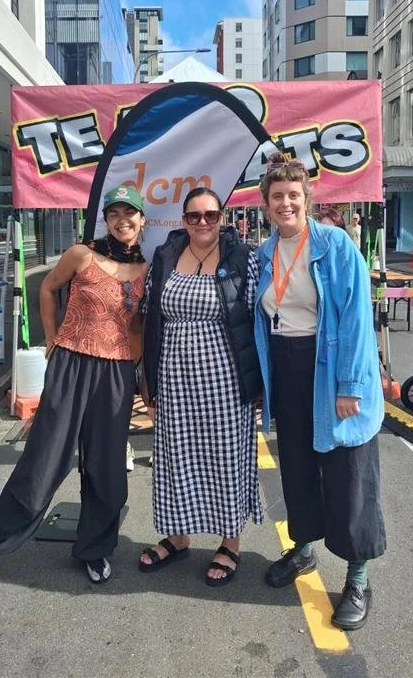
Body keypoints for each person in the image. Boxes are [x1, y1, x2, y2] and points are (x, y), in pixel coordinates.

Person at [0, 185, 148, 590]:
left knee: (107, 470)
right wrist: (51, 337)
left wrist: (134, 370)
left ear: (142, 219)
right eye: (114, 213)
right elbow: (49, 288)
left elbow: (138, 325)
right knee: (44, 460)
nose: (122, 220)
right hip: (71, 364)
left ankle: (94, 549)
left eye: (130, 213)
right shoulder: (82, 254)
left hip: (116, 374)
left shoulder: (146, 270)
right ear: (106, 220)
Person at [254, 156, 386, 631]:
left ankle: (358, 577)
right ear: (266, 204)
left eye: (293, 195)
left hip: (330, 369)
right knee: (297, 468)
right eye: (277, 196)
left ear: (306, 199)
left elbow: (355, 319)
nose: (285, 203)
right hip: (287, 368)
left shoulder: (335, 245)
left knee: (348, 473)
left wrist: (349, 386)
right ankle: (304, 549)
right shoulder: (263, 252)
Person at [139, 187, 263, 586]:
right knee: (176, 455)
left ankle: (230, 542)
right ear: (184, 220)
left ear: (222, 217)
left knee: (225, 457)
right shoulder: (166, 255)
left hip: (224, 378)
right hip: (174, 377)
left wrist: (259, 384)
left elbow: (256, 318)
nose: (203, 222)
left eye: (210, 215)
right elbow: (149, 315)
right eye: (194, 216)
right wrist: (147, 381)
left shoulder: (241, 257)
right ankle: (178, 535)